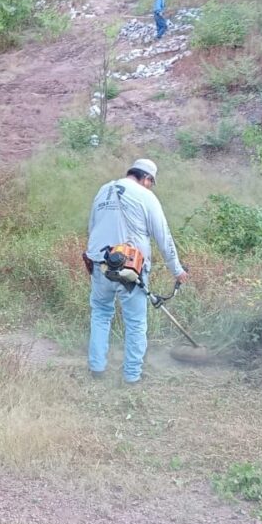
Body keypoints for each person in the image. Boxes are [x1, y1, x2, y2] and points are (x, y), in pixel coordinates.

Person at [84, 159, 188, 385]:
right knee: (135, 322)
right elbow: (164, 237)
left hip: (100, 263)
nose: (150, 186)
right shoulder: (146, 196)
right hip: (132, 268)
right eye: (151, 182)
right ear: (147, 178)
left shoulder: (103, 190)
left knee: (101, 313)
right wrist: (177, 270)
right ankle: (132, 376)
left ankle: (96, 368)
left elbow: (92, 228)